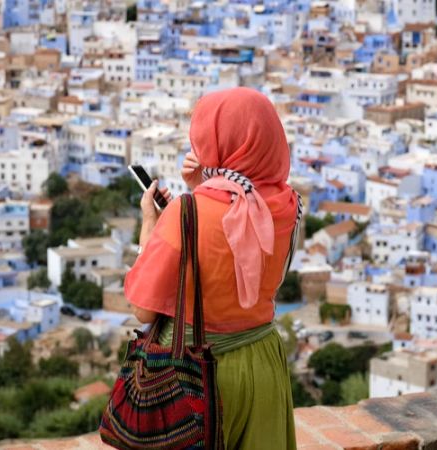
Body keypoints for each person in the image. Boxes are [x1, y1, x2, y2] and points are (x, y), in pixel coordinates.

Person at [124, 87, 301, 449]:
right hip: (262, 364)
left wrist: (152, 223)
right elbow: (244, 252)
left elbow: (142, 308)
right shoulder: (288, 205)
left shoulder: (184, 214)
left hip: (194, 374)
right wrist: (206, 187)